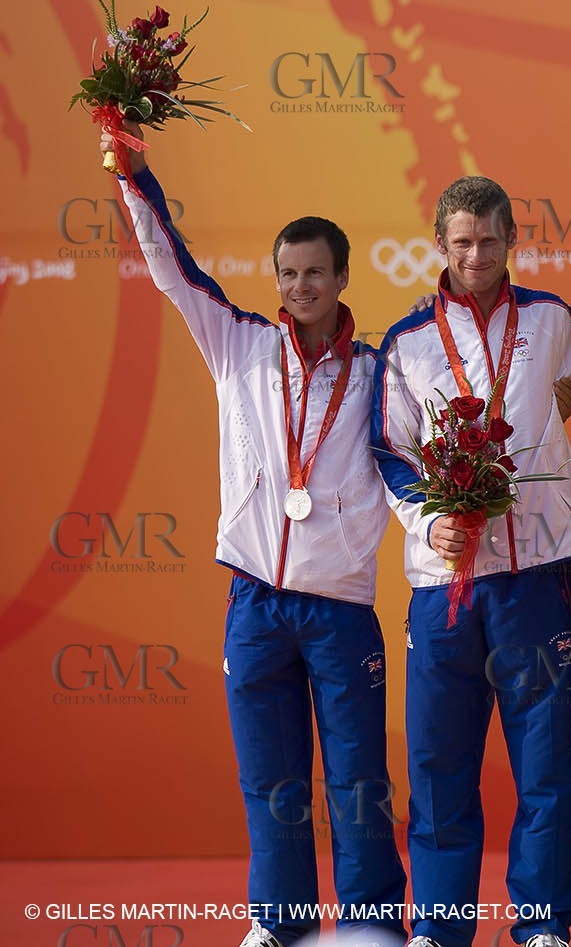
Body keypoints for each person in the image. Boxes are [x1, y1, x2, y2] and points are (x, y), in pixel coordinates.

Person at [104, 126, 406, 947]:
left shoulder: (382, 373)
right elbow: (172, 263)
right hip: (255, 602)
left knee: (356, 780)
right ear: (275, 280)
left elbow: (416, 467)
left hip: (341, 608)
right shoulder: (237, 343)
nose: (301, 286)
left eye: (316, 272)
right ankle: (280, 924)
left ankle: (374, 923)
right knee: (270, 779)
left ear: (343, 277)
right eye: (289, 273)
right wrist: (134, 174)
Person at [370, 175, 571, 947]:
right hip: (444, 585)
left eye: (489, 239)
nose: (475, 254)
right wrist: (431, 523)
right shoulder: (405, 342)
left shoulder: (555, 320)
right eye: (461, 241)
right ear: (439, 244)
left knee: (544, 767)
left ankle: (542, 923)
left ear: (512, 242)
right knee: (438, 765)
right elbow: (388, 451)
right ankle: (439, 923)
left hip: (535, 575)